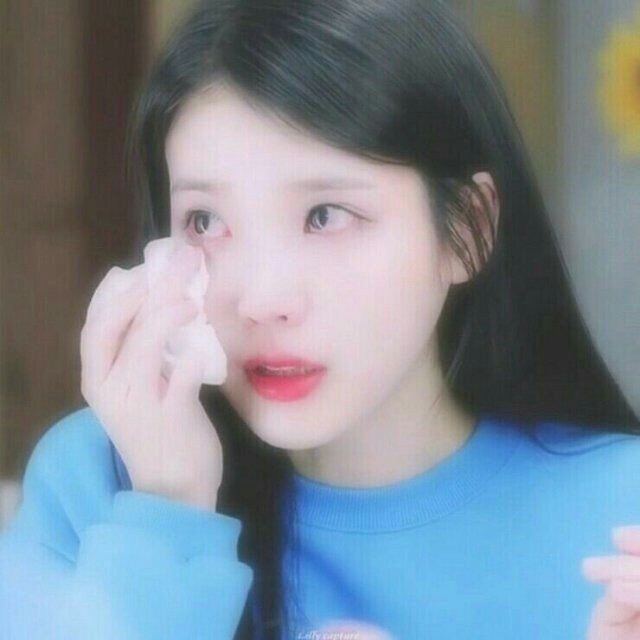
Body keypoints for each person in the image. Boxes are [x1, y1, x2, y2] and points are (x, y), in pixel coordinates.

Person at [1, 0, 639, 638]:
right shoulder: (97, 485)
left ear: (467, 231)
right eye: (205, 221)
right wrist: (168, 510)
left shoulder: (622, 517)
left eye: (325, 215)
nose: (261, 298)